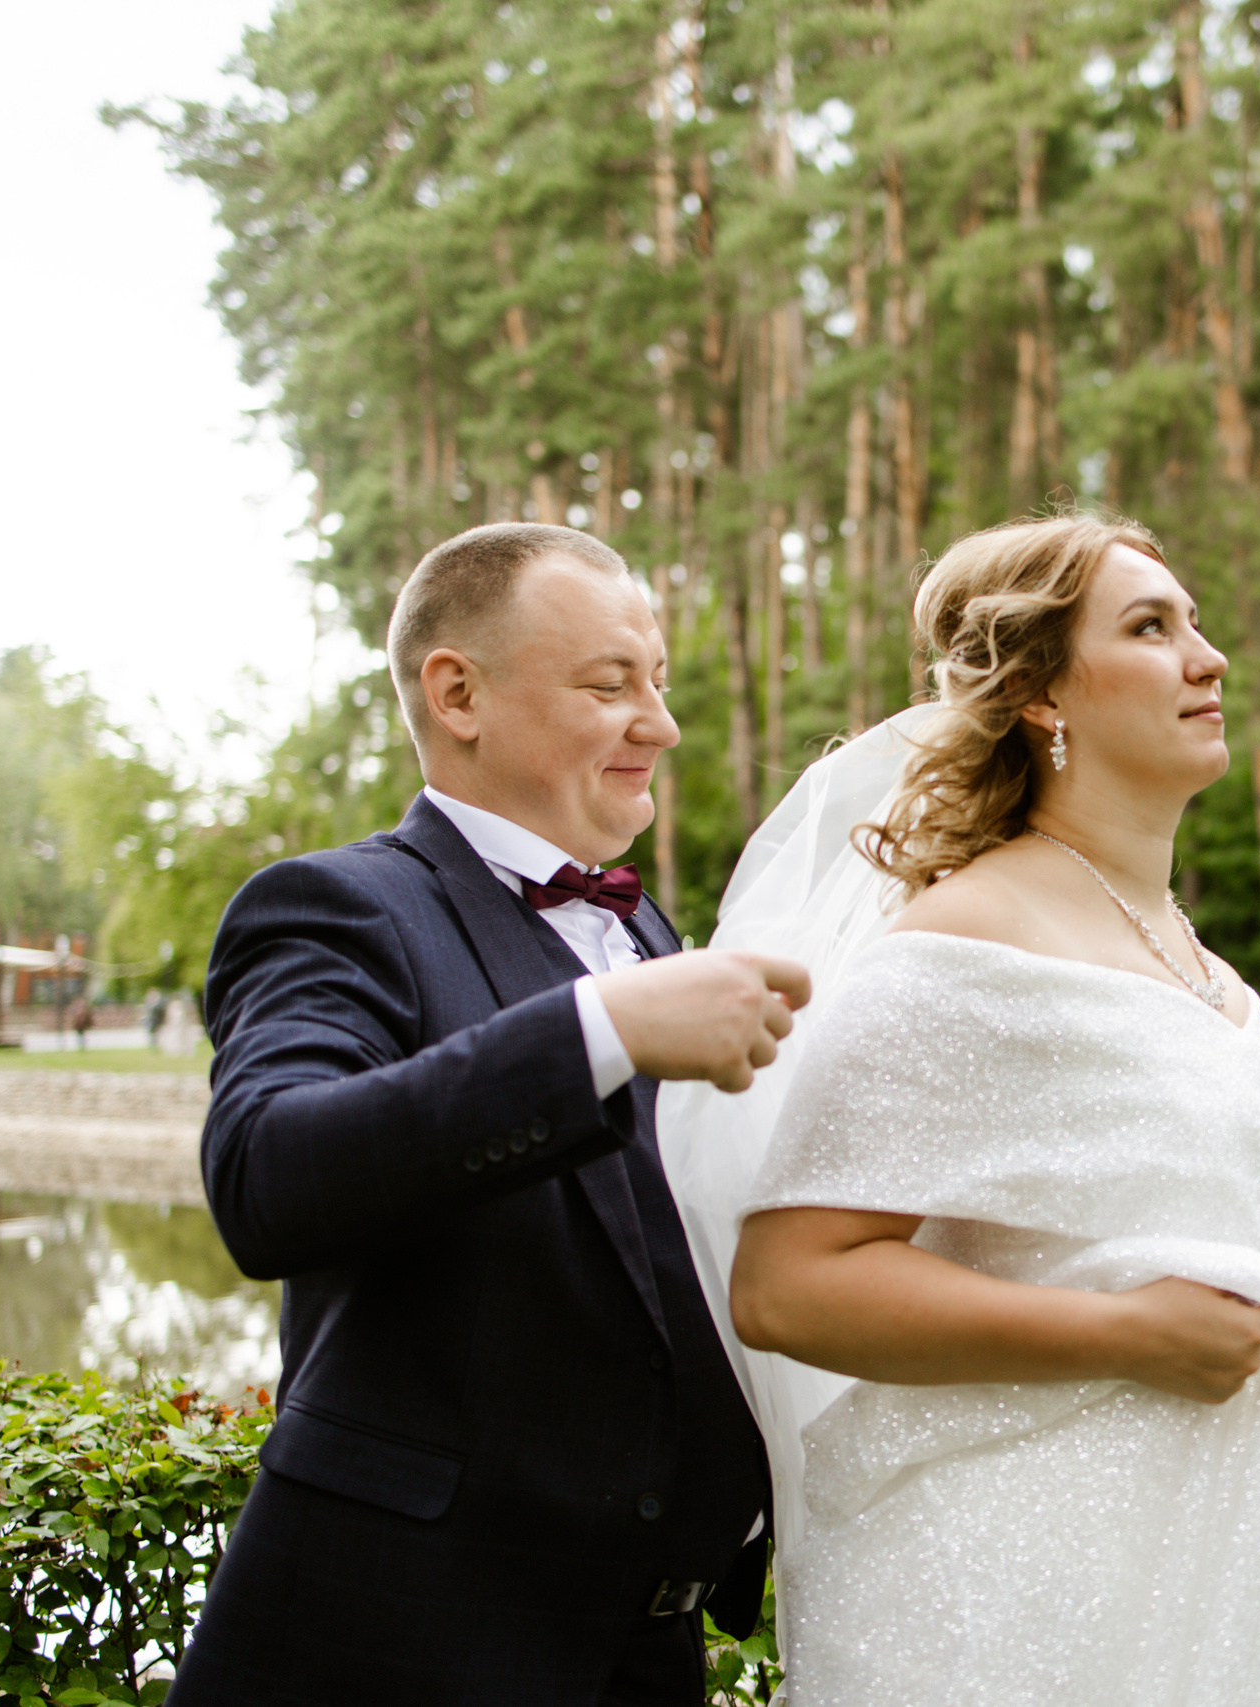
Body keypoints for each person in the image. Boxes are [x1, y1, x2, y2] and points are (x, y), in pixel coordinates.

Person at [667, 514, 1260, 1706]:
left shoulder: (1195, 959)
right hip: (1029, 1596)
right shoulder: (963, 942)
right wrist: (1129, 1333)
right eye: (1151, 628)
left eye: (1195, 622)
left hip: (1215, 1565)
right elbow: (789, 1283)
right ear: (1042, 694)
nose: (1206, 658)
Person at [172, 523, 809, 1706]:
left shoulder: (647, 933)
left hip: (643, 1653)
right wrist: (604, 1030)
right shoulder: (335, 907)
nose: (660, 725)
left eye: (658, 685)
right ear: (457, 693)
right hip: (404, 1647)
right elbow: (268, 1176)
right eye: (610, 683)